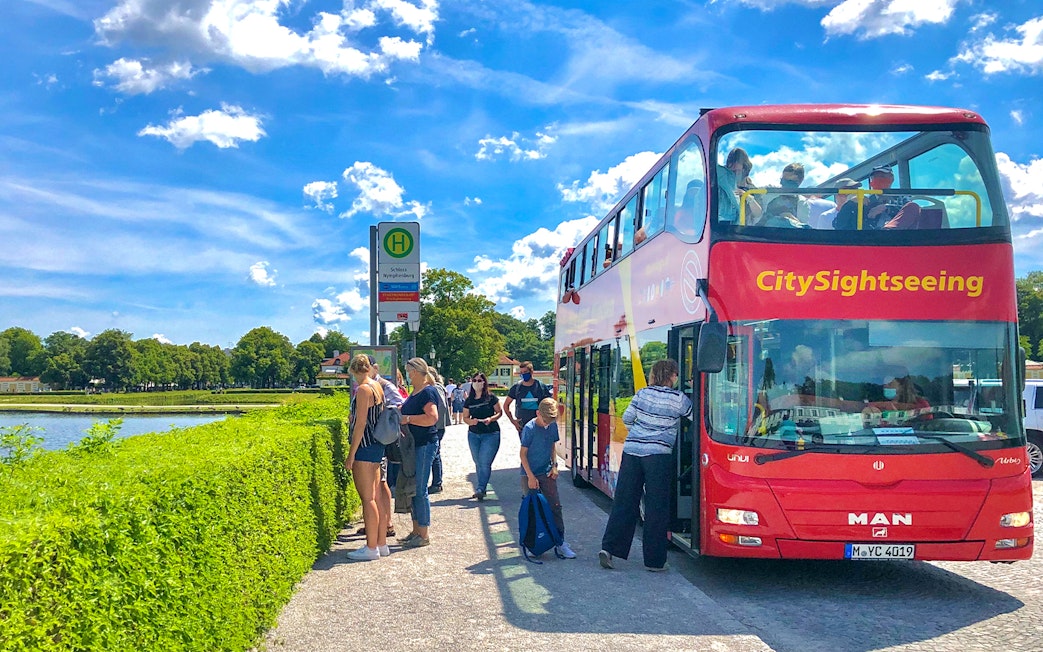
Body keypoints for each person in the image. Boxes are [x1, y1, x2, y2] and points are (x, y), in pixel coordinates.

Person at [599, 359, 693, 572]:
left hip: (632, 452)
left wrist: (641, 432)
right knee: (656, 507)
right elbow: (696, 419)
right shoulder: (679, 399)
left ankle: (609, 549)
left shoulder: (642, 394)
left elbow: (627, 418)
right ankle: (654, 561)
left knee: (624, 502)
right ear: (672, 376)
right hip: (658, 456)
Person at [344, 354, 390, 561]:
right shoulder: (377, 387)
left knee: (367, 498)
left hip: (364, 446)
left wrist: (351, 454)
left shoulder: (362, 389)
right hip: (377, 446)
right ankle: (381, 543)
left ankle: (370, 547)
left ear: (354, 371)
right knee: (377, 496)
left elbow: (360, 424)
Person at [520, 398, 576, 559]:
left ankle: (560, 542)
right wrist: (530, 476)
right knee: (533, 509)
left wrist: (554, 466)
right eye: (545, 421)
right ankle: (534, 543)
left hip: (546, 471)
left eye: (550, 421)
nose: (547, 424)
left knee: (555, 506)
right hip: (529, 472)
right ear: (538, 413)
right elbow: (523, 454)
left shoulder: (552, 425)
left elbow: (552, 446)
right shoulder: (530, 428)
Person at [356, 355, 403, 540]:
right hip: (376, 441)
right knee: (376, 489)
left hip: (374, 440)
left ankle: (380, 533)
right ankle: (378, 534)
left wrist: (383, 418)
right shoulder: (375, 386)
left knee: (376, 490)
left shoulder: (378, 386)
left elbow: (400, 405)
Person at [398, 357, 442, 548]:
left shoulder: (427, 392)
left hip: (425, 444)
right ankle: (416, 531)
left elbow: (432, 418)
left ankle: (423, 534)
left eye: (408, 371)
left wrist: (407, 418)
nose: (407, 375)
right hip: (416, 445)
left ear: (415, 372)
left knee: (421, 489)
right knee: (415, 488)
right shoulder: (417, 392)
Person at [463, 372, 502, 500]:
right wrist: (471, 421)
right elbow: (465, 417)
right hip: (474, 433)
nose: (477, 382)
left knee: (485, 462)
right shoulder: (469, 400)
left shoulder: (491, 398)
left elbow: (499, 412)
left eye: (480, 380)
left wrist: (491, 418)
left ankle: (480, 488)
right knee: (478, 462)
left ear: (484, 382)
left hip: (490, 433)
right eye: (475, 380)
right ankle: (482, 487)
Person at [834, 165, 897, 230]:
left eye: (882, 176)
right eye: (875, 178)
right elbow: (838, 224)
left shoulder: (901, 199)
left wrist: (888, 207)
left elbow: (906, 212)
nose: (878, 180)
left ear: (892, 179)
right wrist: (849, 204)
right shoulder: (863, 201)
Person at [504, 361, 552, 435]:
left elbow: (550, 404)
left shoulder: (541, 387)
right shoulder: (516, 388)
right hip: (522, 425)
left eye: (525, 372)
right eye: (521, 372)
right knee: (525, 446)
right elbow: (506, 405)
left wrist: (547, 420)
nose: (523, 374)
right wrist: (513, 421)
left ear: (531, 372)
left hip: (539, 424)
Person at [717, 148, 762, 223]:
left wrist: (747, 197)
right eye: (731, 171)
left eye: (736, 171)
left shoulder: (752, 190)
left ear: (745, 168)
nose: (734, 174)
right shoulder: (721, 187)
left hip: (743, 230)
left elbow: (758, 214)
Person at [428, 371, 450, 495]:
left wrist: (433, 422)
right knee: (435, 453)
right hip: (438, 425)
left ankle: (437, 483)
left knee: (435, 454)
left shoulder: (435, 387)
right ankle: (437, 482)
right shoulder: (438, 387)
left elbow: (441, 406)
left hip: (436, 426)